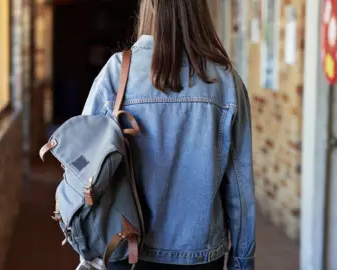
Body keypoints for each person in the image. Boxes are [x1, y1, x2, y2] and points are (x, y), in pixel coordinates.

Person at [81, 0, 256, 269]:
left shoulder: (117, 73)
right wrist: (243, 261)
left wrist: (87, 251)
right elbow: (240, 191)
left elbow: (83, 167)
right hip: (200, 256)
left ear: (149, 7)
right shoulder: (225, 82)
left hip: (123, 249)